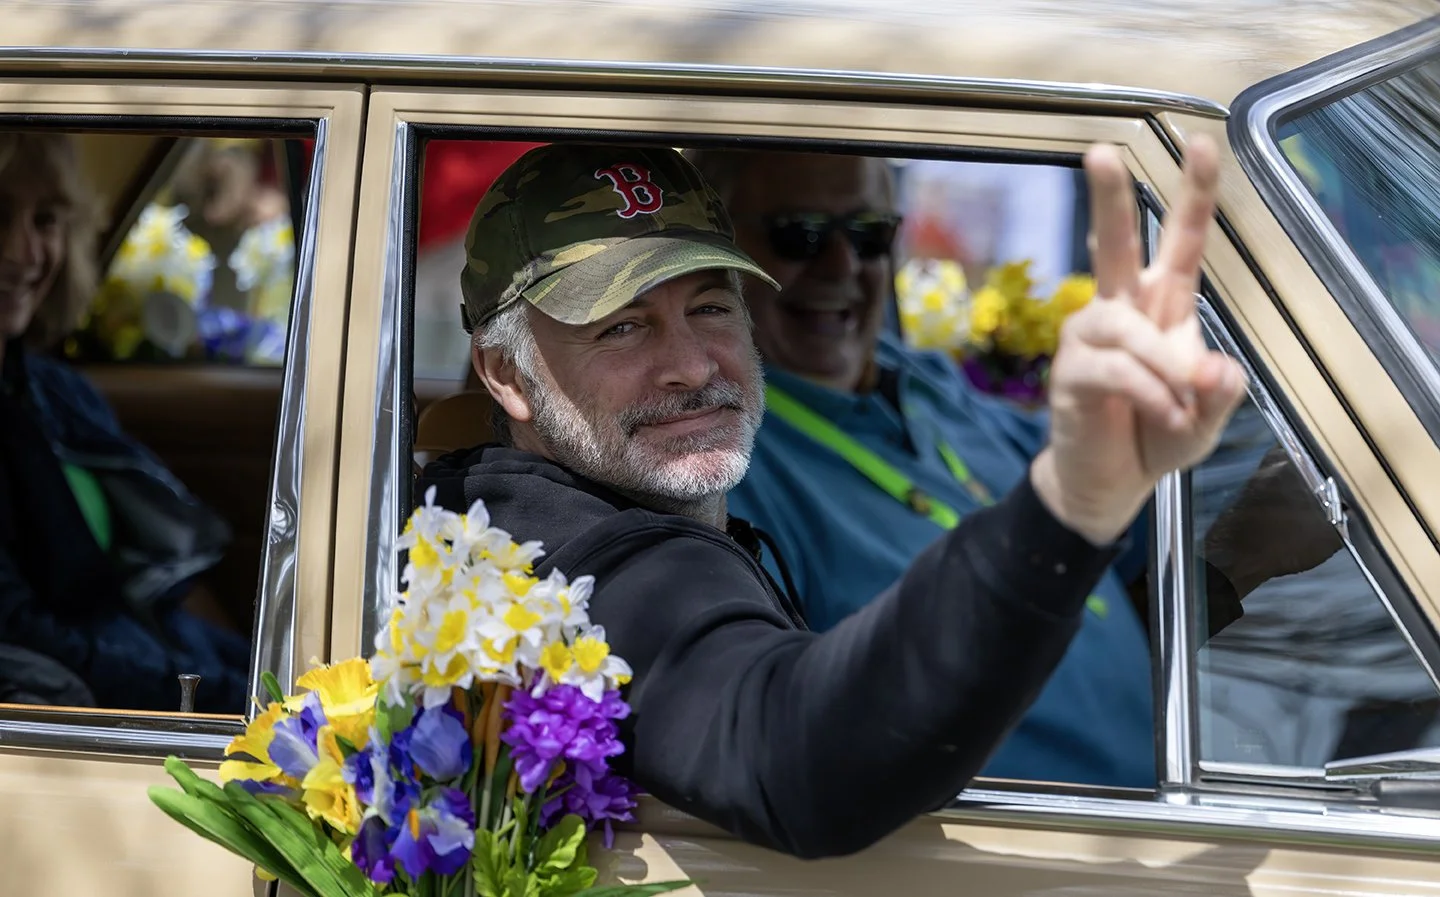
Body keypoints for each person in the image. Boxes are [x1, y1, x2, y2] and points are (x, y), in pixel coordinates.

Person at [417, 138, 1245, 859]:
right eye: (622, 327)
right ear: (507, 372)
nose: (694, 365)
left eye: (711, 305)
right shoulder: (582, 565)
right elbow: (788, 755)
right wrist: (1071, 500)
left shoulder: (602, 496)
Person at [687, 148, 1339, 788]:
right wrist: (1241, 557)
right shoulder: (728, 468)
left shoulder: (923, 381)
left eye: (870, 234)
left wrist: (1250, 484)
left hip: (1173, 788)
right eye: (799, 235)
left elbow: (1109, 550)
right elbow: (829, 745)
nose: (843, 264)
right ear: (714, 254)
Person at [0, 131, 249, 713]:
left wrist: (258, 667)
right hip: (86, 692)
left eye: (45, 220)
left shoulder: (55, 390)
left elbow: (163, 570)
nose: (25, 252)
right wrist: (213, 700)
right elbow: (23, 637)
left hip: (151, 644)